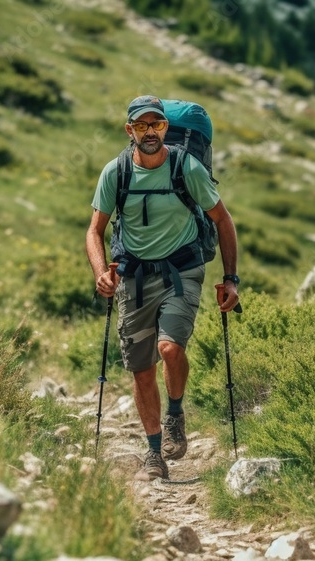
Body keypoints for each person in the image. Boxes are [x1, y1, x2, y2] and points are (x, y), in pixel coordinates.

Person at [85, 95, 240, 481]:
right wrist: (102, 272)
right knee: (140, 369)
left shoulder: (186, 167)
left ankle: (175, 413)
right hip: (134, 277)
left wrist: (231, 279)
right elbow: (95, 231)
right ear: (130, 130)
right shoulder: (115, 172)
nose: (150, 132)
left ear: (165, 128)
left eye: (156, 125)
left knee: (169, 348)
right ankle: (155, 455)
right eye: (141, 126)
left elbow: (222, 220)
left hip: (181, 270)